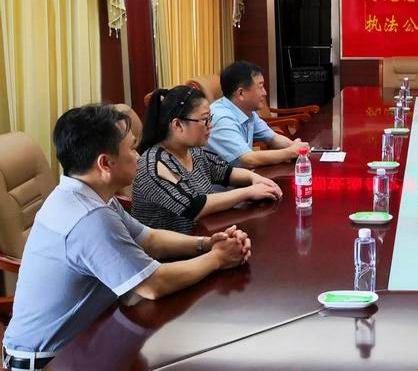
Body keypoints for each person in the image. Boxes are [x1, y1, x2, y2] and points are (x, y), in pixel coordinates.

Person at [2, 105, 252, 368]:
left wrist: (207, 244)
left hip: (89, 337)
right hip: (47, 361)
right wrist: (218, 259)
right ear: (105, 163)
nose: (138, 155)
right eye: (132, 149)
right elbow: (152, 286)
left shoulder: (89, 193)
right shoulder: (88, 218)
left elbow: (149, 239)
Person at [132, 86, 283, 233]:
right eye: (205, 120)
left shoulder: (193, 151)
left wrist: (254, 178)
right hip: (179, 247)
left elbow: (226, 172)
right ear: (178, 125)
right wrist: (248, 192)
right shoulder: (155, 164)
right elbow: (194, 207)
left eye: (210, 119)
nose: (210, 126)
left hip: (206, 234)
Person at [206, 61, 309, 168]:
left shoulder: (247, 110)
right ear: (241, 93)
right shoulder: (221, 118)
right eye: (260, 87)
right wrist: (290, 152)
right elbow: (247, 159)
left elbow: (273, 138)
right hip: (220, 179)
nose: (265, 92)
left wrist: (296, 147)